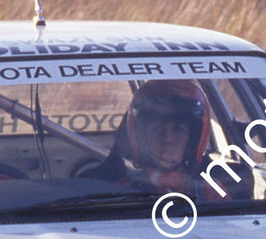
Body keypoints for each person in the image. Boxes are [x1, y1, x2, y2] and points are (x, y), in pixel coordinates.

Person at [84, 80, 232, 198]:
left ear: (192, 139)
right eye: (157, 129)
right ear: (142, 137)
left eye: (178, 130)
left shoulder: (212, 193)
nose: (167, 139)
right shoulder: (119, 193)